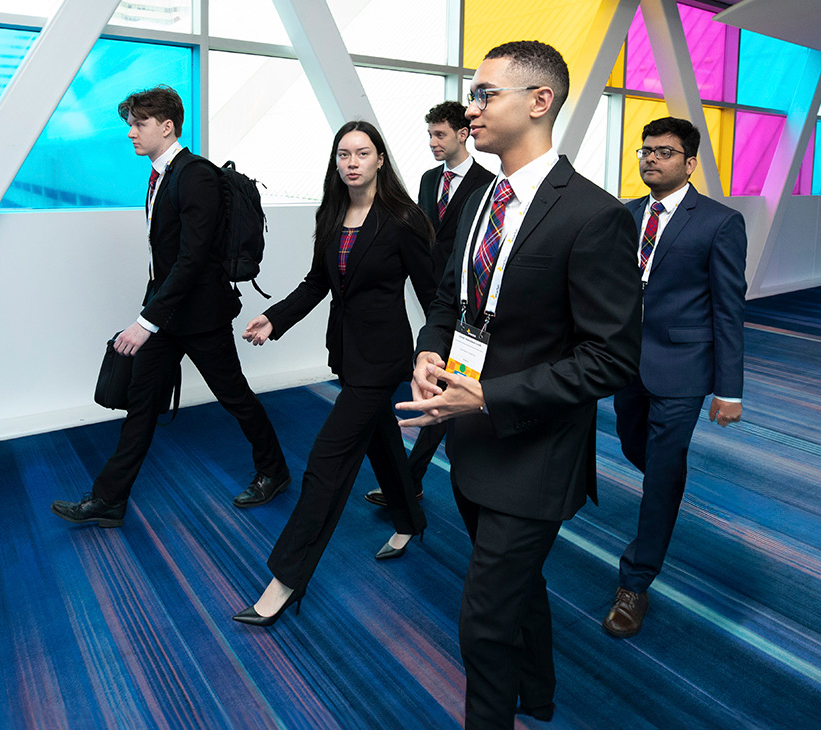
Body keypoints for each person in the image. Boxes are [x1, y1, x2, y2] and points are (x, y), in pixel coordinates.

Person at [396, 41, 640, 728]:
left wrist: (492, 396)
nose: (470, 108)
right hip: (473, 438)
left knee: (483, 619)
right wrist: (429, 350)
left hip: (535, 451)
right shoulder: (481, 198)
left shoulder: (594, 216)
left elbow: (611, 357)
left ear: (539, 102)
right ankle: (540, 694)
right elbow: (450, 298)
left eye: (484, 94)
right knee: (514, 586)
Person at [51, 85, 291, 528]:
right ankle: (109, 499)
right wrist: (152, 314)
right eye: (130, 124)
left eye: (139, 124)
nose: (131, 133)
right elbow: (162, 257)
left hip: (200, 317)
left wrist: (145, 322)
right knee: (142, 405)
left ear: (167, 126)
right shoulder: (161, 175)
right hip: (166, 315)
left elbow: (193, 258)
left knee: (234, 396)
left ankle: (274, 471)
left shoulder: (194, 174)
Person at [230, 120, 440, 626]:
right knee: (381, 440)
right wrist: (275, 317)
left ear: (379, 160)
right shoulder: (332, 213)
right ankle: (410, 520)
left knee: (326, 462)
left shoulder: (402, 219)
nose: (351, 162)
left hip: (384, 358)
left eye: (361, 153)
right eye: (343, 154)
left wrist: (433, 356)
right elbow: (317, 282)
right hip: (346, 354)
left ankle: (285, 581)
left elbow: (435, 296)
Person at [601, 117, 749, 640]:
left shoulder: (719, 221)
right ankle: (668, 479)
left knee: (660, 474)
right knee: (633, 445)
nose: (650, 159)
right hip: (626, 363)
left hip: (684, 368)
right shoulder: (625, 215)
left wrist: (729, 389)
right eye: (644, 151)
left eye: (663, 152)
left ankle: (635, 582)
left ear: (688, 163)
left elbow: (728, 309)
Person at [365, 101, 495, 507]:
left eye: (440, 135)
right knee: (440, 379)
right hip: (434, 299)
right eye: (429, 135)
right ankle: (411, 477)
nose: (432, 143)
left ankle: (411, 477)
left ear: (462, 134)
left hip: (470, 303)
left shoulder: (489, 184)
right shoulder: (426, 179)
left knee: (447, 383)